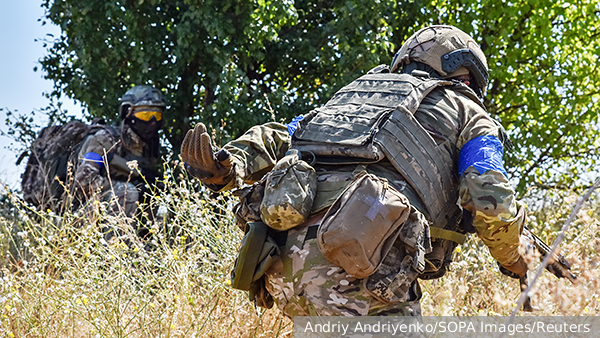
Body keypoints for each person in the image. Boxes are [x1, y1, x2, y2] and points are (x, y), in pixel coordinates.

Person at [181, 25, 527, 317]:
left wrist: (227, 163)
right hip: (361, 267)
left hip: (278, 267)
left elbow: (283, 135)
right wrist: (515, 258)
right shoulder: (468, 112)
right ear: (469, 76)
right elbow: (490, 199)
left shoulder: (351, 99)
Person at [72, 84, 165, 239]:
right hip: (82, 219)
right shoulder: (105, 139)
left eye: (157, 116)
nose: (153, 122)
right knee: (127, 191)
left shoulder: (149, 149)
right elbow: (83, 180)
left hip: (120, 221)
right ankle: (113, 258)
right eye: (146, 115)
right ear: (127, 112)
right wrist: (120, 186)